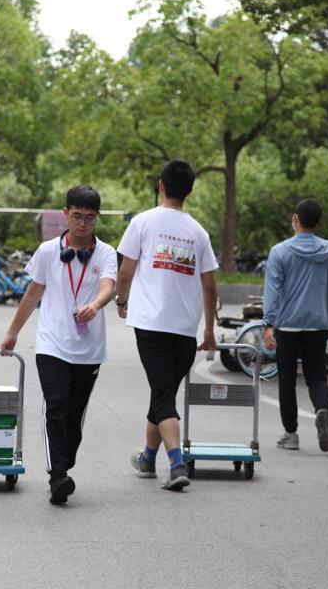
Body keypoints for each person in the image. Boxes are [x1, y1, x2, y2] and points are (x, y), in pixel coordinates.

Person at [0, 186, 117, 504]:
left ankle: (64, 462)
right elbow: (32, 294)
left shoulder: (106, 253)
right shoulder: (48, 250)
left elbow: (108, 287)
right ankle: (58, 476)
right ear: (65, 214)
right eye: (76, 216)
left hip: (89, 348)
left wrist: (96, 304)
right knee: (56, 404)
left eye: (89, 218)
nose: (82, 223)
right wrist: (13, 332)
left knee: (74, 415)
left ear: (97, 218)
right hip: (52, 343)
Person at [114, 159, 218, 491]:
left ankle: (176, 464)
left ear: (161, 185)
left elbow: (125, 271)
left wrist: (121, 300)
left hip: (151, 324)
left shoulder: (142, 222)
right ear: (190, 190)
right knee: (164, 394)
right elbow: (210, 286)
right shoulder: (199, 232)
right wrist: (209, 330)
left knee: (163, 397)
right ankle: (147, 458)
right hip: (185, 328)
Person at [262, 198, 328, 452]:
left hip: (287, 325)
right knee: (316, 376)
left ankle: (291, 434)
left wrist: (268, 323)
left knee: (286, 379)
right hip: (318, 324)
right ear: (318, 223)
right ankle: (321, 410)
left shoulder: (280, 252)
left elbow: (272, 290)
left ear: (295, 219)